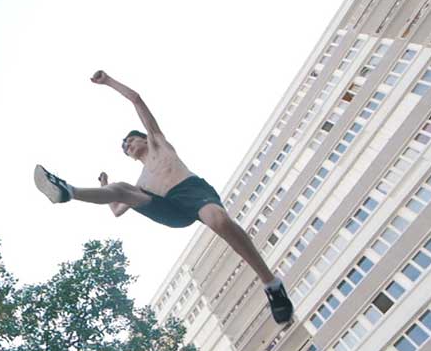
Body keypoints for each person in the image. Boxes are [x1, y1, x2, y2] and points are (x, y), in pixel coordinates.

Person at [33, 71, 294, 324]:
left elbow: (136, 99)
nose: (129, 145)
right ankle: (68, 191)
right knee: (123, 188)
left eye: (131, 140)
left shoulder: (159, 144)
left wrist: (109, 81)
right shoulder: (141, 182)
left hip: (191, 192)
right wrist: (103, 184)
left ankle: (272, 284)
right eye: (125, 147)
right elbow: (116, 209)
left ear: (144, 139)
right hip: (169, 209)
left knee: (219, 221)